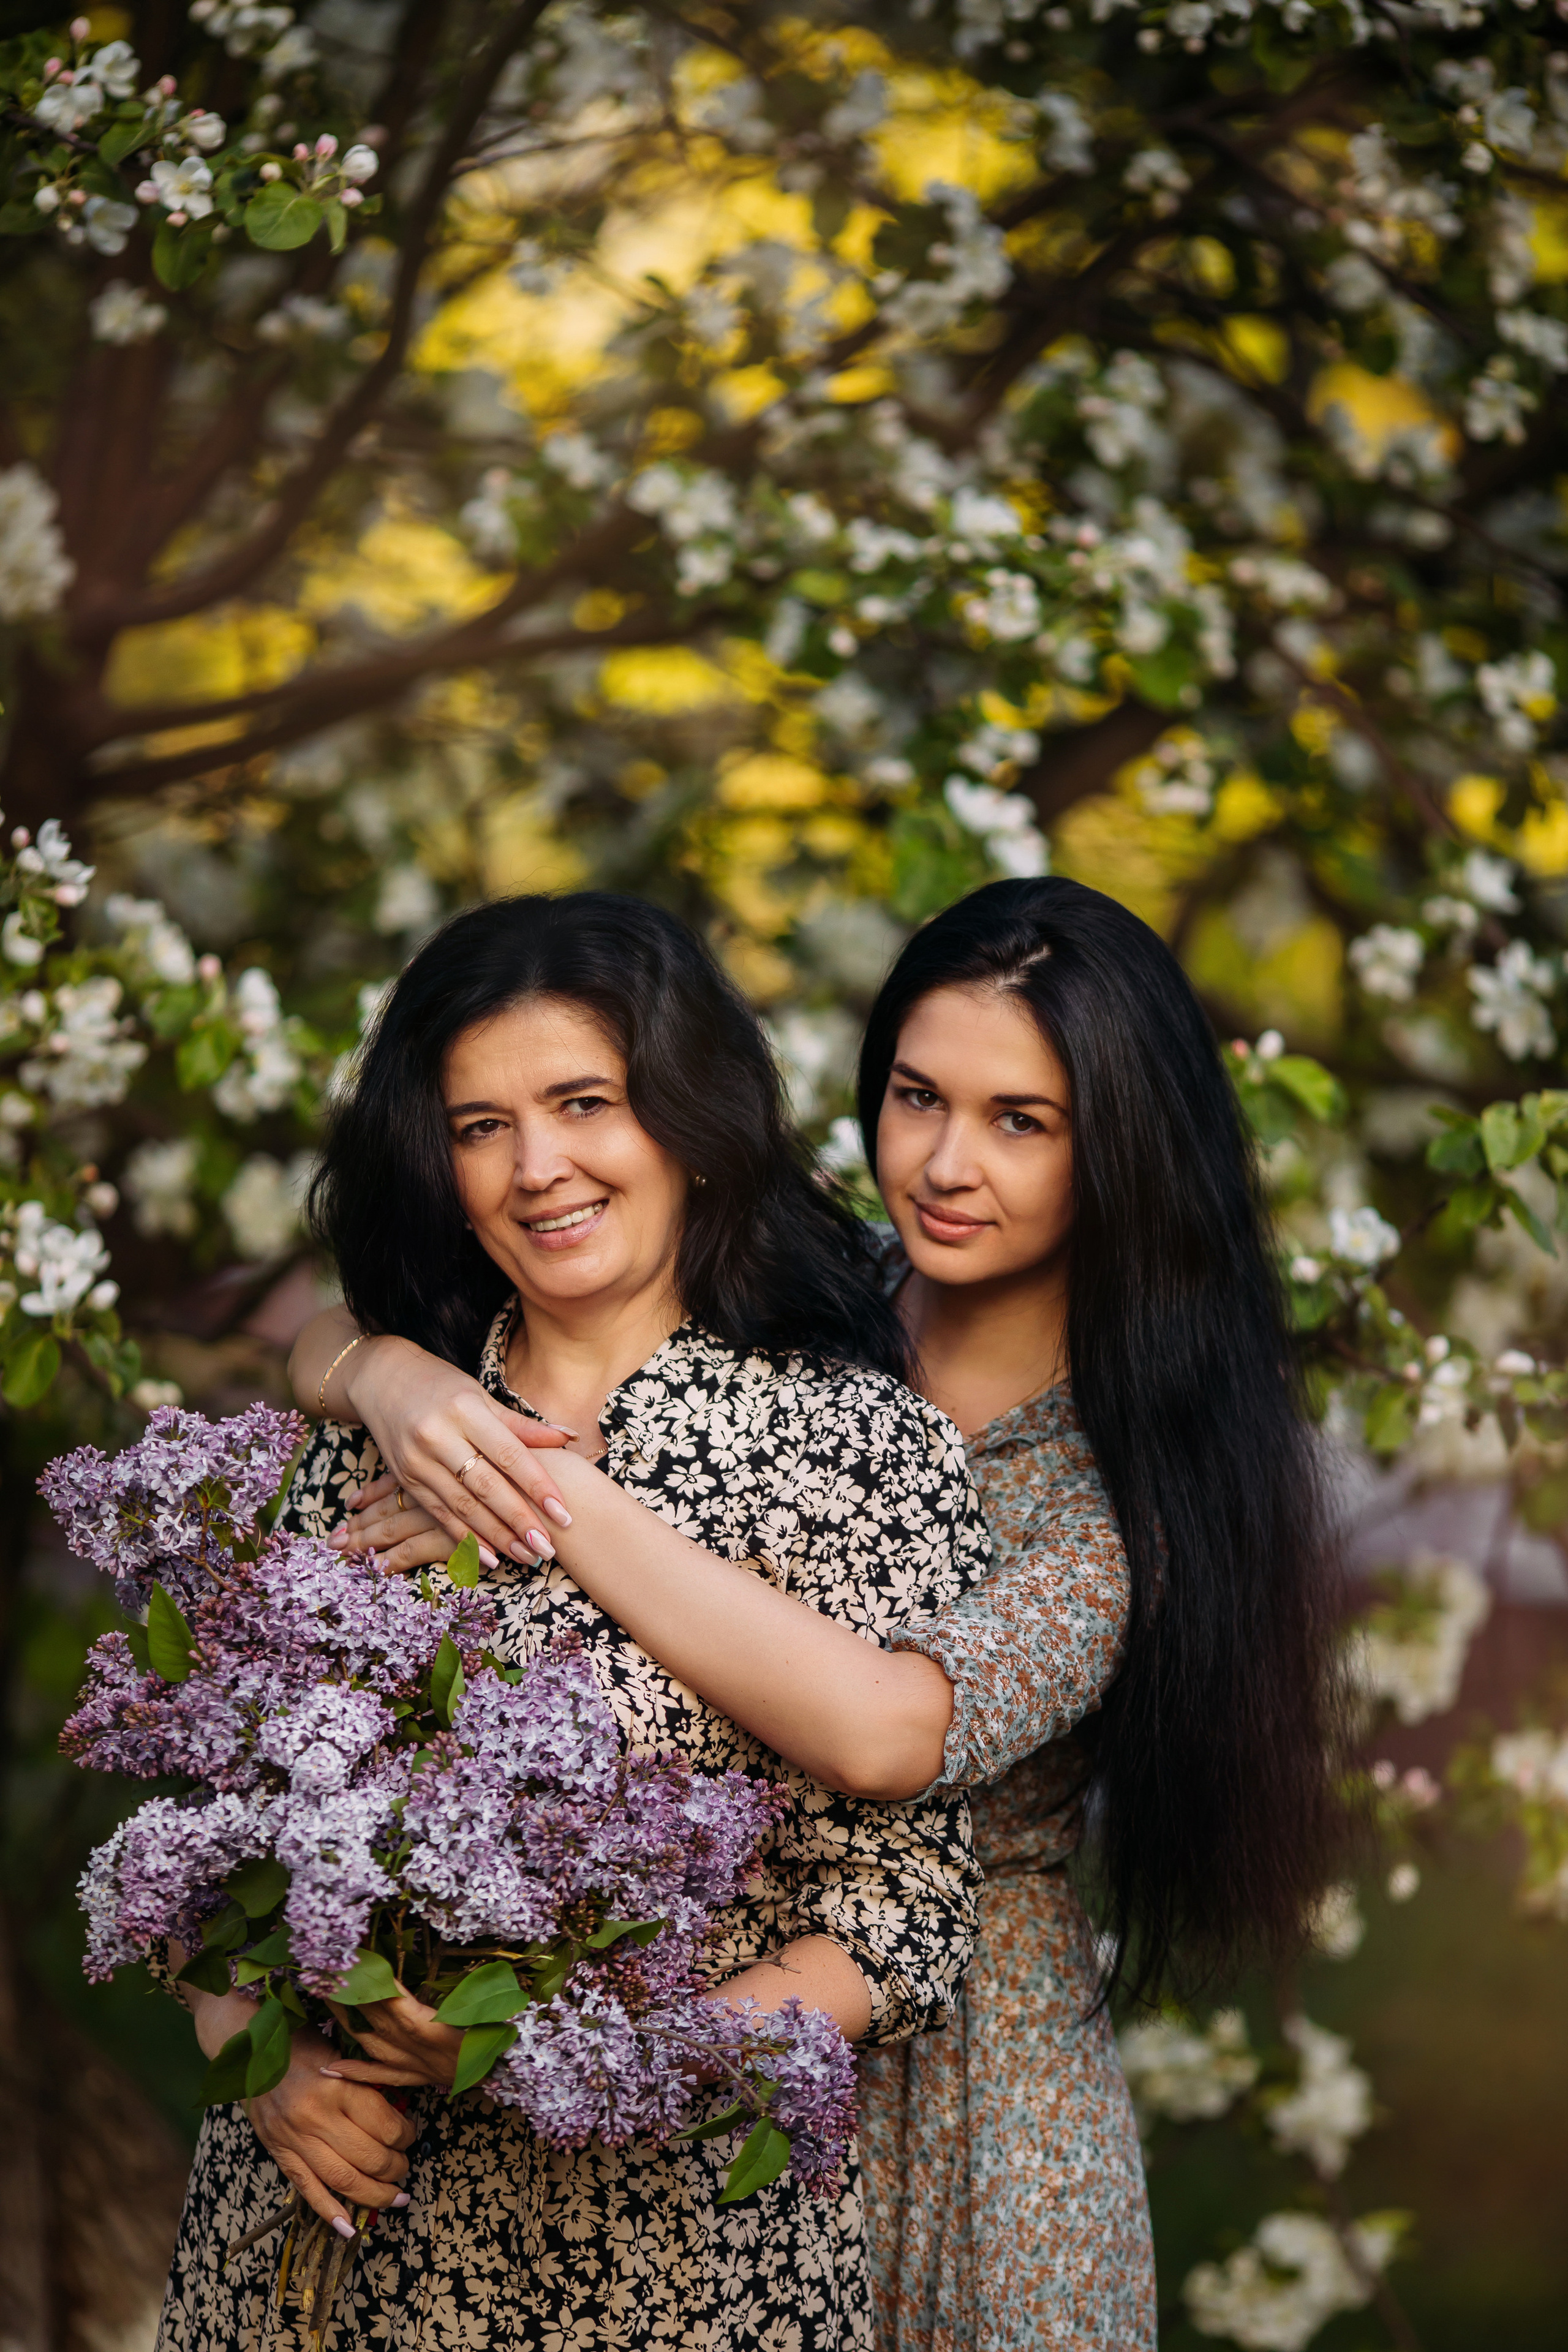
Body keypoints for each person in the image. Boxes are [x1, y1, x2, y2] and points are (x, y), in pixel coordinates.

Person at [292, 876, 1346, 2352]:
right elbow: (399, 1311)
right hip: (683, 2065)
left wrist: (541, 1484)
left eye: (1020, 1121)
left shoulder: (1120, 1491)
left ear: (1122, 1150)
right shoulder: (817, 1290)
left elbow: (883, 1730)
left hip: (955, 2111)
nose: (944, 1164)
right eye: (916, 1097)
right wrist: (385, 1377)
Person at [157, 892, 988, 2352]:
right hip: (310, 2255)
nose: (537, 1168)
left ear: (688, 1118)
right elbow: (199, 1843)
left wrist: (595, 2053)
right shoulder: (377, 1434)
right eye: (481, 1127)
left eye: (583, 1103)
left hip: (660, 2270)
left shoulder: (848, 1450)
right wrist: (258, 2056)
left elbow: (907, 1913)